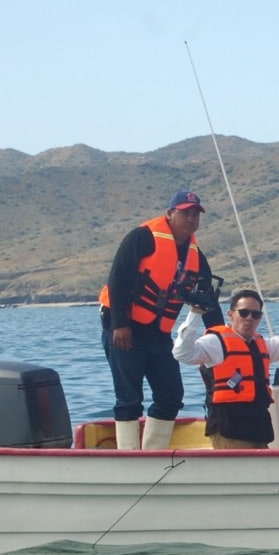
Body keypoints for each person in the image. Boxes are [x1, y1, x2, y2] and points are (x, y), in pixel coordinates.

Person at [99, 190, 224, 450]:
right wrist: (120, 324)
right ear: (170, 214)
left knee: (171, 396)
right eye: (184, 212)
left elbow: (207, 298)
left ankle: (153, 455)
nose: (190, 219)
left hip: (157, 335)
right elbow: (117, 279)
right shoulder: (142, 238)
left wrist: (221, 337)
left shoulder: (195, 256)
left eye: (195, 214)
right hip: (125, 329)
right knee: (129, 399)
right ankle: (129, 458)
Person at [172, 284, 279, 449]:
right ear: (231, 315)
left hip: (258, 429)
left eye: (255, 315)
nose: (249, 318)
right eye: (243, 313)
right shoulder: (215, 343)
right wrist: (195, 314)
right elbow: (182, 353)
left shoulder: (262, 345)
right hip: (229, 430)